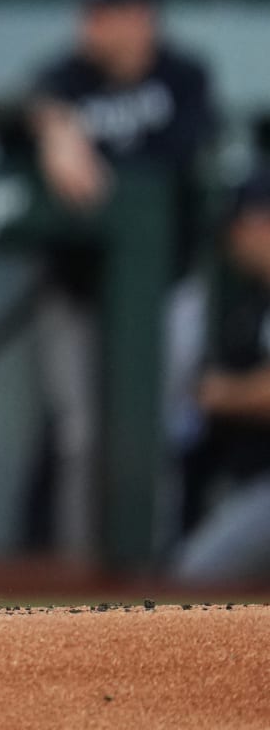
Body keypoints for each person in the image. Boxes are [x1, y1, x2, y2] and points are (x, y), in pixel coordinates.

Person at [26, 0, 216, 560]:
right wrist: (52, 126)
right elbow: (8, 110)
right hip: (79, 295)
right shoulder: (64, 80)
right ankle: (81, 585)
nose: (93, 26)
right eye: (90, 12)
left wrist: (81, 146)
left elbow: (165, 165)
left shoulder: (185, 78)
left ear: (143, 17)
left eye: (108, 13)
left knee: (154, 437)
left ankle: (148, 577)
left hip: (165, 291)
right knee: (80, 440)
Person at [169, 170, 270, 584]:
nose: (232, 244)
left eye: (237, 228)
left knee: (191, 580)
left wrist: (216, 394)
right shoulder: (253, 300)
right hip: (250, 478)